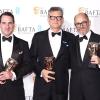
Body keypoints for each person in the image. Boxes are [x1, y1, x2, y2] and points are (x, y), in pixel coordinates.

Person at [30, 7, 76, 100]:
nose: (56, 20)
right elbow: (31, 59)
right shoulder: (38, 37)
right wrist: (41, 71)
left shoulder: (71, 38)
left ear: (62, 19)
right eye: (52, 17)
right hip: (42, 87)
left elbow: (74, 61)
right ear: (48, 19)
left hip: (61, 88)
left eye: (59, 17)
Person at [0, 12, 33, 100]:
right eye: (4, 23)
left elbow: (29, 65)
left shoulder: (23, 44)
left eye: (10, 23)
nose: (7, 26)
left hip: (15, 92)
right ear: (0, 24)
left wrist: (13, 74)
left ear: (14, 25)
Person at [70, 12, 100, 100]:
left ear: (89, 22)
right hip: (76, 91)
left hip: (95, 90)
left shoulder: (98, 39)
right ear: (75, 26)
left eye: (84, 22)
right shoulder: (71, 41)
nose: (81, 26)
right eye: (78, 24)